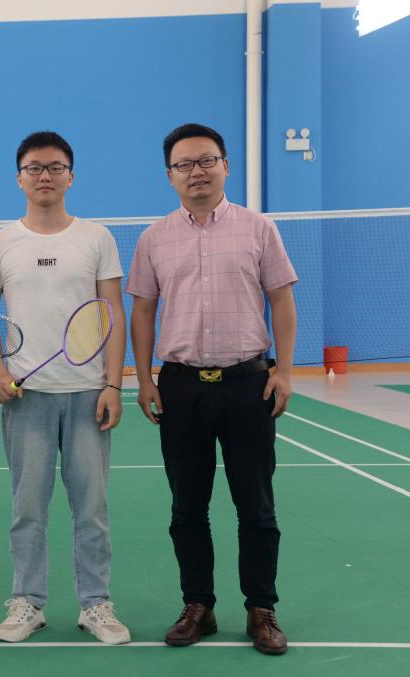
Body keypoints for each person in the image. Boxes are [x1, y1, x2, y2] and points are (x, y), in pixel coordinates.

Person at [127, 123, 297, 655]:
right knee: (187, 507)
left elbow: (282, 300)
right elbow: (143, 311)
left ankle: (261, 607)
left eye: (206, 160)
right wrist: (144, 378)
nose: (196, 172)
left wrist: (285, 370)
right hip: (180, 388)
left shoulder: (259, 229)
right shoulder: (153, 239)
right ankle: (198, 605)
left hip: (248, 385)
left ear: (225, 166)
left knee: (257, 505)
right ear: (169, 175)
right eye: (184, 164)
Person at [0, 131, 130, 645]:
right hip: (27, 398)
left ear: (70, 175)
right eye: (35, 168)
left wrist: (114, 383)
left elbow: (112, 313)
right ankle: (27, 601)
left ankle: (96, 604)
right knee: (28, 509)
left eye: (55, 167)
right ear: (19, 177)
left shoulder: (96, 238)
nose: (45, 175)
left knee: (92, 509)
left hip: (88, 394)